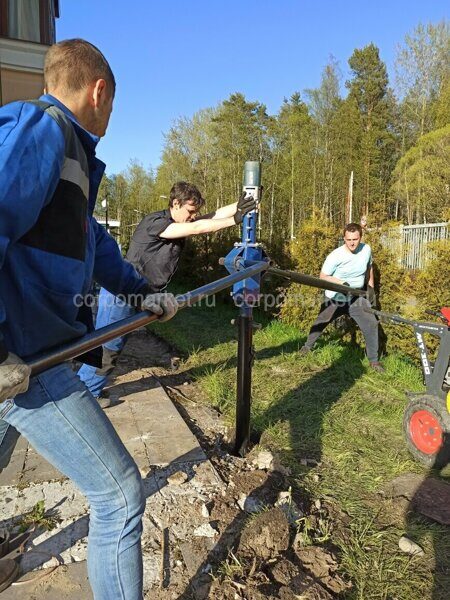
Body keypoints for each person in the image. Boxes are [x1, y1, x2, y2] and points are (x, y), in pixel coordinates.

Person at [0, 39, 179, 597]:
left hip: (31, 350)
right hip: (27, 359)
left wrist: (138, 290)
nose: (111, 116)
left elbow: (91, 241)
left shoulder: (70, 156)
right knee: (120, 495)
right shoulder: (43, 131)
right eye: (114, 104)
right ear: (99, 91)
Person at [78, 181, 256, 404]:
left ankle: (88, 389)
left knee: (113, 345)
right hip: (122, 293)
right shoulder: (157, 223)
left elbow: (208, 217)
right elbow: (197, 228)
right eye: (190, 211)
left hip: (138, 293)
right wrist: (235, 220)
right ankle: (85, 394)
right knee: (108, 347)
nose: (193, 216)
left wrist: (240, 204)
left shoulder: (177, 221)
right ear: (175, 203)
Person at [300, 223, 384, 372]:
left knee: (371, 323)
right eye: (348, 239)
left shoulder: (366, 249)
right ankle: (307, 347)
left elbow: (369, 267)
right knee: (321, 321)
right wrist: (341, 283)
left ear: (360, 237)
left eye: (355, 239)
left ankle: (374, 361)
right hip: (335, 297)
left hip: (356, 297)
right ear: (344, 238)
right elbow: (323, 276)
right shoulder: (336, 255)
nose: (352, 243)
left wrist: (370, 287)